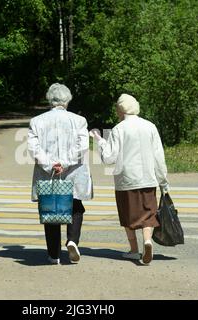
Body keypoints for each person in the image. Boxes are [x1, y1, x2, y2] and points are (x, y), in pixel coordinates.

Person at [90, 93, 169, 265]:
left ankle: (134, 250)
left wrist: (100, 141)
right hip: (148, 179)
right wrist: (163, 180)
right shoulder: (150, 126)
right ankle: (147, 241)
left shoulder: (119, 129)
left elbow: (109, 158)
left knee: (128, 216)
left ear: (120, 109)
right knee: (148, 213)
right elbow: (158, 156)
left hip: (126, 181)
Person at [28, 83, 93, 265]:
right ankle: (72, 240)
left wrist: (51, 165)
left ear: (50, 100)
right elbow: (83, 147)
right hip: (73, 172)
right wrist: (64, 163)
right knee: (75, 206)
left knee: (51, 209)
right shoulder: (79, 120)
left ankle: (54, 255)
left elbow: (34, 149)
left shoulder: (37, 121)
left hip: (48, 174)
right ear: (68, 100)